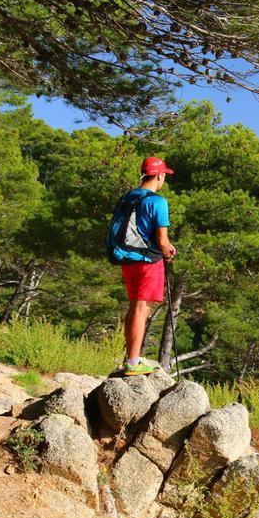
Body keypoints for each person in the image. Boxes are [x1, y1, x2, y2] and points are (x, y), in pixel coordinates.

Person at [108, 156, 176, 376]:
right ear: (160, 175)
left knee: (134, 308)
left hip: (127, 258)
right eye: (164, 175)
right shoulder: (158, 202)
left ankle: (131, 358)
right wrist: (168, 251)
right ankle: (133, 362)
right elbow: (162, 240)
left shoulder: (128, 196)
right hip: (148, 261)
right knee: (141, 309)